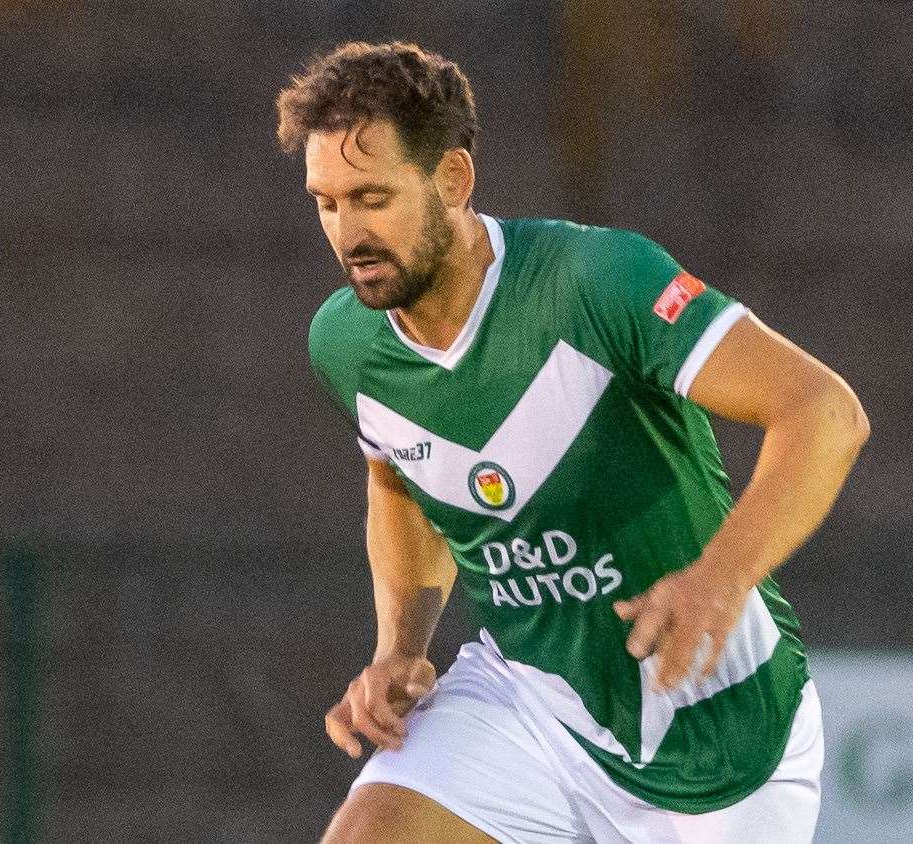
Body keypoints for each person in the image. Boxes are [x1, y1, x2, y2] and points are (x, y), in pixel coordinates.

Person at [277, 40, 869, 844]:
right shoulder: (345, 345)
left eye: (373, 197)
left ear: (452, 180)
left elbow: (825, 412)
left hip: (721, 740)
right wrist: (399, 648)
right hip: (530, 702)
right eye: (327, 202)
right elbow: (400, 475)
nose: (349, 233)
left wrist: (721, 577)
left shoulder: (595, 280)